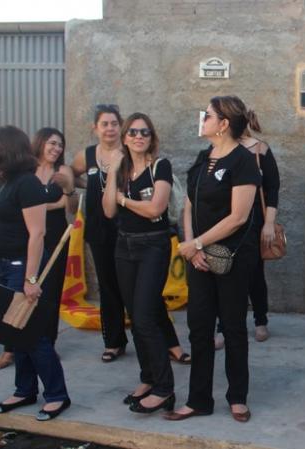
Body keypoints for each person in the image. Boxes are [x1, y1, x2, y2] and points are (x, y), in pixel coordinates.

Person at [164, 96, 260, 423]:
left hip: (231, 258)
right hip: (200, 258)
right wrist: (193, 246)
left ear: (223, 124)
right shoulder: (204, 157)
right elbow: (189, 205)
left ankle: (237, 397)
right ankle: (198, 400)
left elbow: (238, 217)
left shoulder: (243, 161)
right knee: (199, 328)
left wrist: (198, 243)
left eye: (207, 115)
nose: (202, 119)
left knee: (233, 327)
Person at [0, 125, 70, 421]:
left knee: (30, 334)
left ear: (4, 150)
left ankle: (57, 394)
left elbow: (38, 234)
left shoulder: (27, 184)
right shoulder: (2, 181)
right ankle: (24, 390)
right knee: (13, 331)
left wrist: (31, 279)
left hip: (20, 266)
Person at [102, 112, 176, 413]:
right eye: (132, 132)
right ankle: (147, 378)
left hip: (154, 246)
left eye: (144, 132)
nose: (138, 136)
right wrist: (112, 173)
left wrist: (124, 200)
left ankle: (164, 388)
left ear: (151, 136)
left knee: (145, 317)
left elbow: (156, 208)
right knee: (134, 316)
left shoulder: (161, 166)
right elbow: (107, 211)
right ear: (125, 137)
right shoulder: (119, 170)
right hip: (124, 245)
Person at [214, 123, 280, 349]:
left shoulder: (260, 149)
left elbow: (273, 188)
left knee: (254, 273)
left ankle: (260, 320)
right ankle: (223, 326)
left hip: (254, 223)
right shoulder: (219, 149)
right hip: (224, 222)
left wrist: (269, 223)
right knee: (223, 271)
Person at [71, 105, 128, 362]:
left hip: (127, 229)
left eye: (114, 123)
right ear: (95, 128)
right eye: (104, 124)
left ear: (121, 126)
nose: (109, 129)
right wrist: (91, 186)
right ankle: (114, 342)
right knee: (107, 286)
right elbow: (71, 175)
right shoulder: (87, 155)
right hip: (98, 231)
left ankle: (157, 342)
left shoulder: (130, 152)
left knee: (132, 286)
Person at [32, 128, 77, 343]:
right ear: (40, 143)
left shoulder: (63, 170)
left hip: (56, 237)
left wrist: (68, 189)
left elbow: (70, 207)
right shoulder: (27, 169)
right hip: (28, 236)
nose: (57, 148)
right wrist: (51, 204)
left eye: (60, 145)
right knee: (24, 288)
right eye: (52, 143)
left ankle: (47, 343)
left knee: (50, 291)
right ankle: (13, 345)